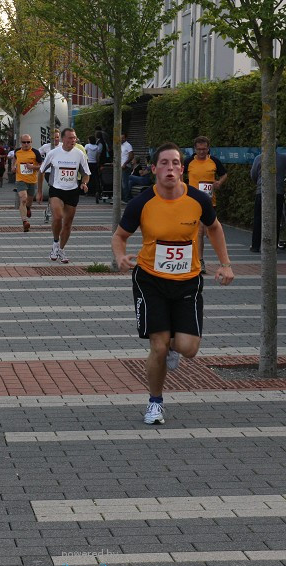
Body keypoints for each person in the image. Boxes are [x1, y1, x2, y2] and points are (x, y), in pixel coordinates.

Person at [111, 142, 235, 425]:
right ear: (154, 169)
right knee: (157, 346)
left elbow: (214, 227)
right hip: (150, 280)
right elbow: (119, 236)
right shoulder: (141, 203)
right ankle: (155, 403)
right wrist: (120, 257)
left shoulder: (197, 200)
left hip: (188, 282)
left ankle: (171, 347)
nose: (171, 168)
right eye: (164, 163)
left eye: (176, 163)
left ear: (183, 168)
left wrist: (225, 264)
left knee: (188, 348)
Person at [36, 127, 90, 264]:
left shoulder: (79, 154)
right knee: (58, 217)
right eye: (71, 138)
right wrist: (40, 191)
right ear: (63, 139)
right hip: (56, 190)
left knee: (67, 224)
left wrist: (84, 183)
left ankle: (61, 248)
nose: (73, 140)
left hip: (72, 191)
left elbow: (86, 174)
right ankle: (55, 242)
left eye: (75, 138)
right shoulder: (53, 153)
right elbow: (41, 171)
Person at [185, 136, 227, 272]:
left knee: (209, 231)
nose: (202, 152)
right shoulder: (189, 161)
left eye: (204, 149)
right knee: (200, 231)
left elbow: (224, 174)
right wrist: (182, 187)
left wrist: (219, 183)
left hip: (209, 201)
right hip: (192, 202)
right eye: (199, 149)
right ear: (195, 149)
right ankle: (200, 261)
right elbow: (179, 172)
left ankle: (215, 260)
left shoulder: (214, 161)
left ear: (208, 148)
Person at [250, 151, 286, 252]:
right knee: (276, 218)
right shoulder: (283, 158)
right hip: (278, 192)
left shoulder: (258, 158)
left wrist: (259, 183)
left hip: (262, 191)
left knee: (258, 218)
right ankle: (273, 246)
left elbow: (253, 174)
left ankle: (255, 246)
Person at [13, 134, 42, 232]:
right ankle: (24, 221)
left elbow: (42, 166)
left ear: (31, 142)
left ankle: (28, 208)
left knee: (28, 202)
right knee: (23, 198)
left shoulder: (35, 152)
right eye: (24, 142)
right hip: (20, 179)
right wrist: (13, 167)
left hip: (32, 181)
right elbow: (15, 160)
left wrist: (33, 167)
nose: (26, 144)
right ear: (21, 142)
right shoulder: (17, 151)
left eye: (28, 142)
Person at [120, 133, 134, 203]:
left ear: (126, 138)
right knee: (121, 183)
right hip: (120, 167)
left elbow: (131, 156)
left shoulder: (128, 145)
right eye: (120, 138)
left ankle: (127, 198)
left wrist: (125, 163)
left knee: (124, 183)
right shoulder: (120, 146)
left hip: (125, 167)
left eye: (123, 138)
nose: (121, 139)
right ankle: (123, 198)